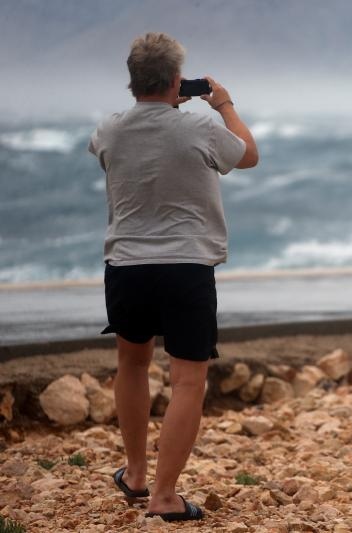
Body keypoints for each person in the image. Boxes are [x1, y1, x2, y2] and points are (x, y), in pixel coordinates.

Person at [88, 32, 258, 522]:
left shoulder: (110, 130)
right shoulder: (200, 130)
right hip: (186, 267)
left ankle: (137, 474)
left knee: (132, 364)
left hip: (127, 267)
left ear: (132, 81)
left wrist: (163, 102)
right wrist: (223, 104)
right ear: (179, 80)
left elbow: (108, 147)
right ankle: (165, 495)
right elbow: (247, 155)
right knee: (188, 381)